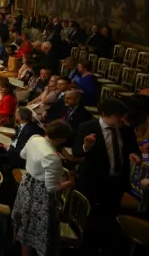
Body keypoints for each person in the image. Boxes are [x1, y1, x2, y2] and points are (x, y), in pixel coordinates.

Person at [73, 98, 142, 254]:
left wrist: (135, 156)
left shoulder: (125, 129)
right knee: (91, 222)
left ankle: (104, 247)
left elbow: (134, 149)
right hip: (94, 183)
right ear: (105, 115)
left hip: (116, 183)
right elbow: (77, 152)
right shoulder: (87, 127)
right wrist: (86, 146)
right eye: (119, 117)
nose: (123, 120)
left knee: (109, 220)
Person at [12, 120, 75, 256]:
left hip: (27, 184)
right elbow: (51, 188)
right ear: (62, 139)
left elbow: (23, 155)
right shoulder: (53, 157)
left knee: (24, 223)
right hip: (40, 194)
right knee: (36, 229)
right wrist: (69, 183)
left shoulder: (35, 138)